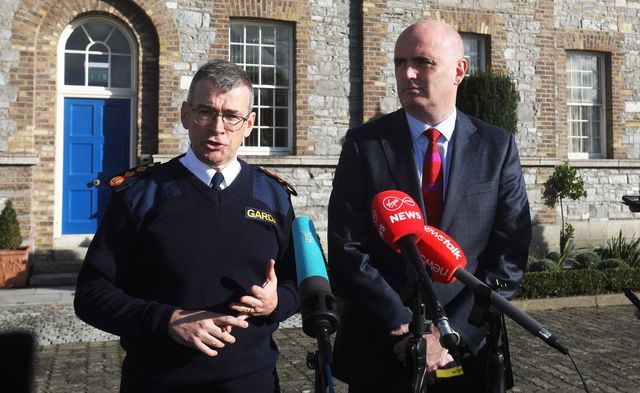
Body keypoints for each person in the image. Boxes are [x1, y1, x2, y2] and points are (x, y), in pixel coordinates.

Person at [328, 19, 532, 393]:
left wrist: (450, 333)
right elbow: (347, 249)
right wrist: (405, 327)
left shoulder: (497, 147)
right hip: (381, 346)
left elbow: (509, 255)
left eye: (423, 62)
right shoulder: (364, 145)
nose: (407, 73)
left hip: (465, 353)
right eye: (399, 62)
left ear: (459, 71)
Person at [74, 60, 299, 393]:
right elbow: (92, 295)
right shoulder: (140, 196)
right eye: (205, 112)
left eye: (231, 116)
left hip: (255, 382)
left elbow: (302, 284)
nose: (218, 128)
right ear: (185, 115)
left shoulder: (273, 196)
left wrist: (276, 302)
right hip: (160, 382)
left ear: (249, 124)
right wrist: (168, 320)